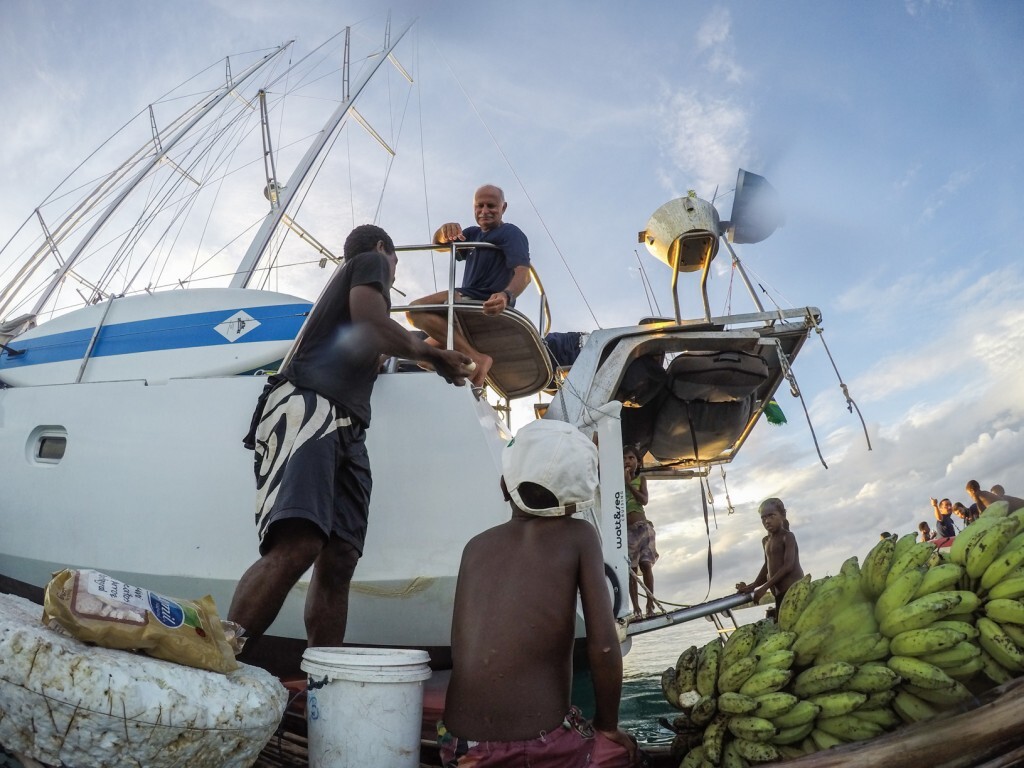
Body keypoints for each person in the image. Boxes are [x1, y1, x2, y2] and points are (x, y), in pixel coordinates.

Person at [228, 224, 473, 653]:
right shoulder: (370, 260)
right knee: (300, 541)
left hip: (347, 426)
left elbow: (374, 343)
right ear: (383, 249)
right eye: (394, 264)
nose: (391, 274)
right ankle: (222, 653)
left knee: (340, 558)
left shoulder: (348, 305)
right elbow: (374, 325)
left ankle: (323, 674)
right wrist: (434, 355)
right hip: (308, 407)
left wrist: (416, 345)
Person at [439, 419, 640, 767]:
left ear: (504, 486)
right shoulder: (579, 536)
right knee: (625, 756)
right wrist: (608, 726)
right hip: (539, 747)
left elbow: (462, 646)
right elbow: (605, 645)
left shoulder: (474, 547)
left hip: (461, 746)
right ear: (577, 502)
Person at [407, 184, 532, 387]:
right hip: (464, 302)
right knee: (423, 358)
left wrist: (506, 295)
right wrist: (442, 231)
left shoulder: (511, 233)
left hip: (479, 301)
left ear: (504, 207)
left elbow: (523, 273)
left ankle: (475, 357)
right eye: (479, 206)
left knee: (415, 310)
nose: (484, 211)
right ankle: (469, 371)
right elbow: (439, 246)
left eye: (491, 206)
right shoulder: (472, 234)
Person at [735, 498, 805, 617]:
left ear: (782, 515)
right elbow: (767, 567)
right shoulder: (766, 541)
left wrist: (764, 588)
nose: (767, 521)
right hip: (779, 595)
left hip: (795, 592)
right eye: (763, 518)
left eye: (771, 516)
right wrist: (753, 586)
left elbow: (788, 566)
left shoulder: (787, 537)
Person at [623, 444, 658, 619]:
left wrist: (629, 485)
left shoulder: (641, 479)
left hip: (642, 527)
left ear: (638, 461)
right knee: (631, 569)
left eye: (631, 458)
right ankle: (636, 608)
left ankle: (650, 604)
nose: (628, 461)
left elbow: (644, 500)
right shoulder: (615, 482)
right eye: (624, 458)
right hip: (626, 531)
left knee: (645, 565)